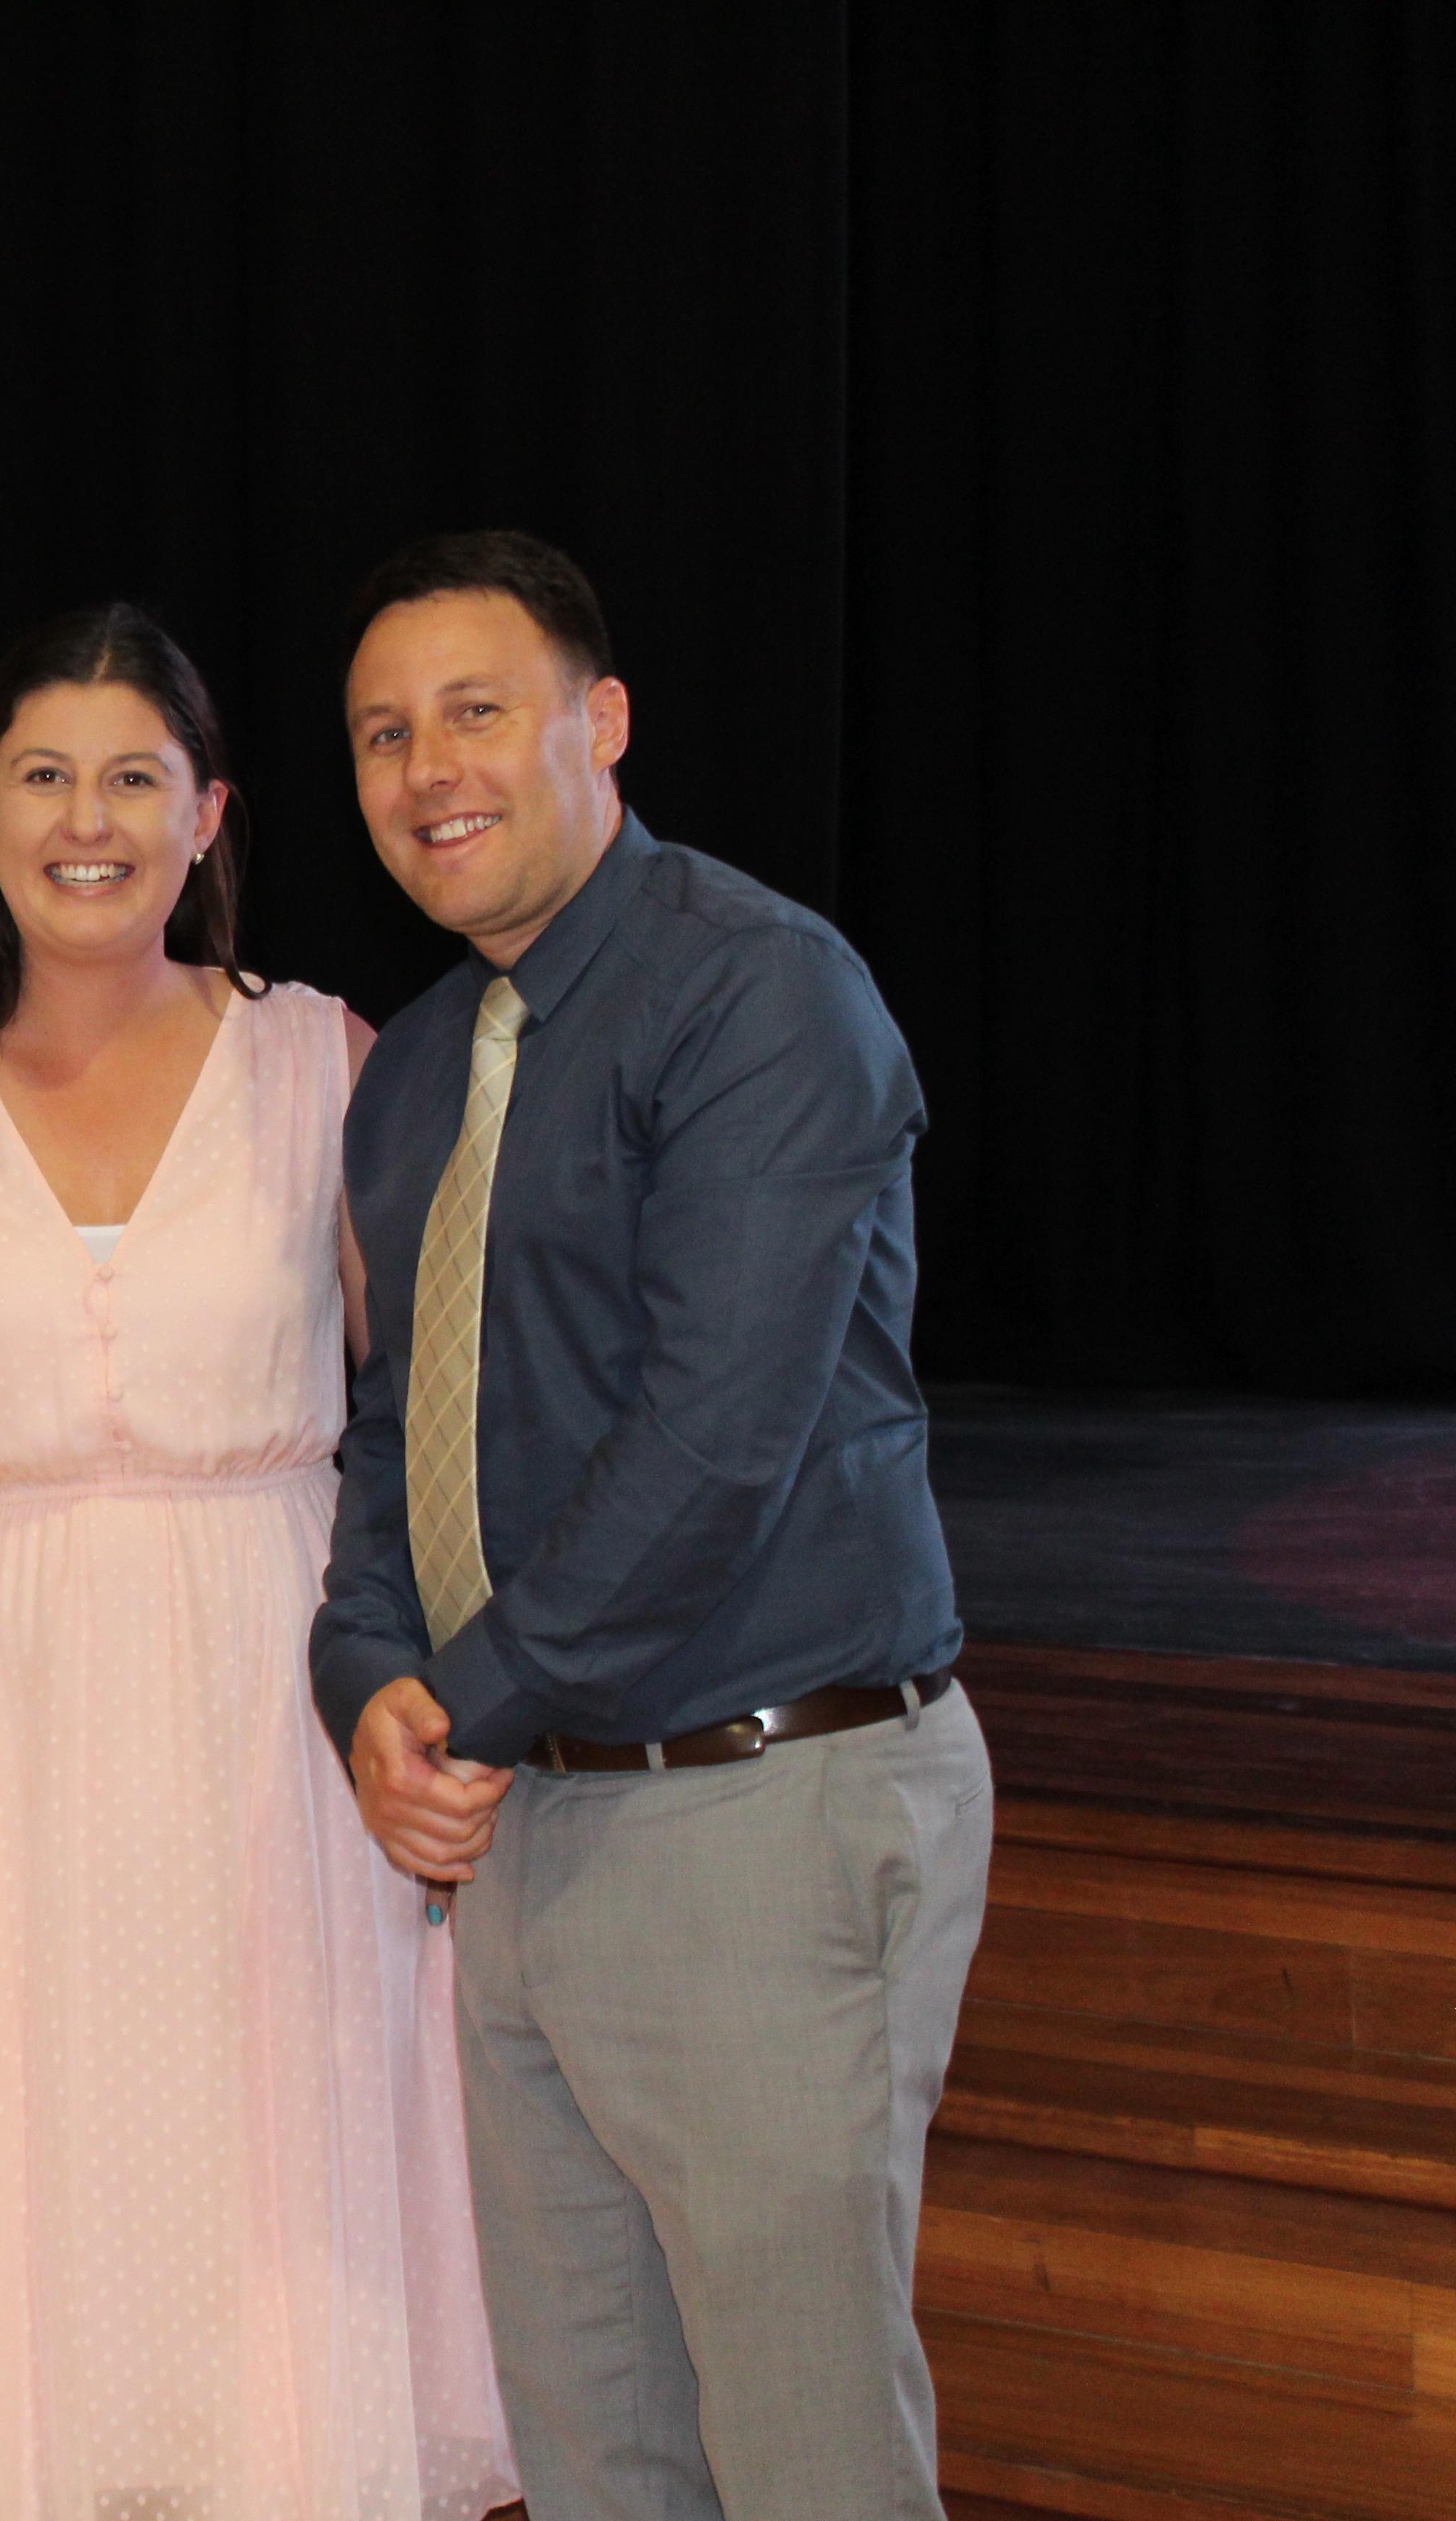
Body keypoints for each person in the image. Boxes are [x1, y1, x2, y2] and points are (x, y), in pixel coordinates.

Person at [0, 605, 518, 2519]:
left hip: (268, 1702)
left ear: (208, 815)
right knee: (31, 2176)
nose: (85, 822)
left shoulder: (323, 1062)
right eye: (45, 777)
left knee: (266, 2173)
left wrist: (450, 1693)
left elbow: (431, 1420)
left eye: (131, 779)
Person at [313, 530, 988, 2519]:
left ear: (600, 723)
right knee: (599, 2460)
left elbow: (714, 1445)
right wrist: (365, 1679)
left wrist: (465, 1701)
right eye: (381, 735)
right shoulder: (418, 1068)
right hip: (529, 1820)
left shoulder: (760, 992)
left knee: (806, 2467)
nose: (428, 768)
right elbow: (394, 1429)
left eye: (476, 712)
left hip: (759, 1804)